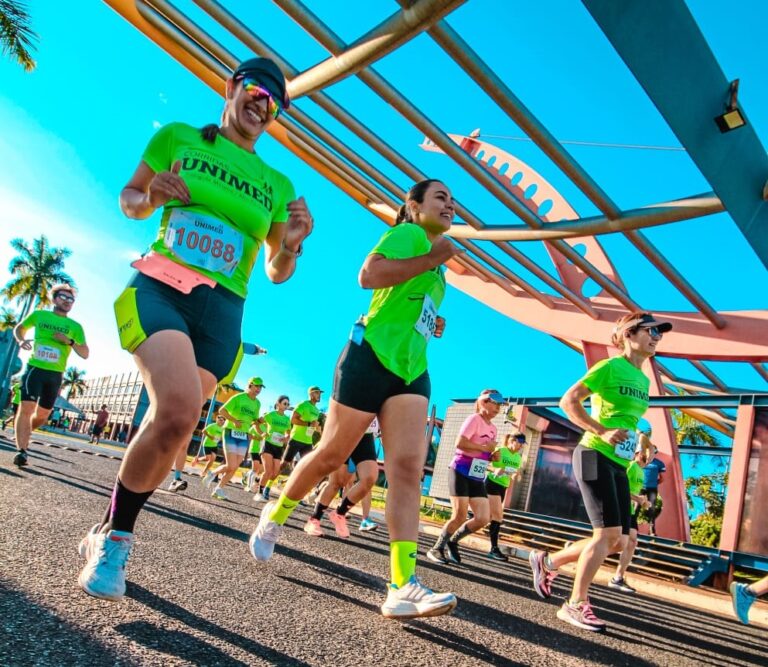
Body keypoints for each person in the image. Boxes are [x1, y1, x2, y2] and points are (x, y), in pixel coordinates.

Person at [78, 56, 313, 601]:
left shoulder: (277, 183)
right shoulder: (179, 137)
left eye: (274, 103)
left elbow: (277, 271)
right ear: (232, 87)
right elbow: (130, 200)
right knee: (180, 409)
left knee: (172, 425)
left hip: (223, 312)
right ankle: (117, 539)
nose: (263, 105)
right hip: (161, 287)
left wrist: (293, 244)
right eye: (256, 90)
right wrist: (151, 198)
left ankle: (105, 528)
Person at [249, 179, 463, 619]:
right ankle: (277, 512)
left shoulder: (438, 264)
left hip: (412, 369)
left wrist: (432, 322)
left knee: (405, 470)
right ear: (414, 206)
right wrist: (430, 259)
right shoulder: (409, 234)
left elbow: (406, 301)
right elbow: (369, 276)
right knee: (331, 454)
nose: (450, 206)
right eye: (440, 197)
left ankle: (402, 584)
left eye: (453, 201)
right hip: (370, 357)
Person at [528, 312, 671, 631]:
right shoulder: (609, 367)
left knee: (619, 540)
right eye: (651, 331)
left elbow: (627, 419)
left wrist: (642, 439)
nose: (657, 337)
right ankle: (575, 604)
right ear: (628, 334)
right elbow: (569, 401)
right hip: (593, 454)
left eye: (660, 333)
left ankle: (548, 561)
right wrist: (601, 429)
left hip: (619, 463)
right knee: (606, 535)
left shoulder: (643, 380)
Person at [12, 283, 89, 466]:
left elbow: (85, 353)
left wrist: (69, 341)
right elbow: (19, 328)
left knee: (43, 415)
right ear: (54, 299)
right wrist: (21, 340)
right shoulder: (40, 315)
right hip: (35, 369)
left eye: (71, 299)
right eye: (63, 297)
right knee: (26, 409)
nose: (67, 301)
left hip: (55, 375)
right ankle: (22, 451)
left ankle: (24, 431)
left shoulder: (75, 327)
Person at [426, 390, 502, 565]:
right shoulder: (474, 419)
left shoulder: (493, 429)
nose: (498, 407)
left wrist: (492, 456)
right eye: (495, 402)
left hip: (477, 475)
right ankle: (436, 548)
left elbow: (484, 451)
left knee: (483, 518)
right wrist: (484, 449)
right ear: (483, 402)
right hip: (460, 470)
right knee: (459, 515)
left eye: (500, 404)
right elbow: (459, 443)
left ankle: (453, 541)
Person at [303, 417, 381, 538]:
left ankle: (340, 513)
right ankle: (314, 519)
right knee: (337, 483)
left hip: (366, 436)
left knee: (369, 478)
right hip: (346, 433)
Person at [208, 378, 264, 500]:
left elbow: (253, 421)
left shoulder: (257, 403)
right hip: (230, 432)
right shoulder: (239, 397)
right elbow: (222, 410)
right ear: (250, 385)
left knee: (235, 466)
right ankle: (212, 475)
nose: (259, 389)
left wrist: (259, 421)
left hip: (244, 435)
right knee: (231, 465)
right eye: (257, 386)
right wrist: (234, 421)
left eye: (261, 387)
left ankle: (218, 488)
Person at [609, 448, 651, 593]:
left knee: (631, 542)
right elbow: (619, 487)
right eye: (646, 453)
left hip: (629, 509)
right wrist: (637, 498)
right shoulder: (631, 466)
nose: (649, 457)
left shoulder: (641, 471)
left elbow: (633, 492)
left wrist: (642, 502)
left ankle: (618, 577)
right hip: (620, 505)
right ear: (638, 453)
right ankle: (580, 551)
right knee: (614, 541)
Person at [484, 431, 526, 561]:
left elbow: (513, 472)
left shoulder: (518, 458)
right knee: (498, 516)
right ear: (512, 441)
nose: (521, 446)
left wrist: (516, 474)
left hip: (503, 487)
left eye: (523, 444)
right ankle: (494, 549)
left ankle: (455, 535)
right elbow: (485, 464)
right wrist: (494, 469)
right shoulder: (500, 451)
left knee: (485, 518)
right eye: (520, 443)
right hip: (491, 483)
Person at [253, 395, 292, 502]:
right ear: (278, 404)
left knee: (275, 473)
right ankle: (259, 493)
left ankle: (257, 479)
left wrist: (286, 438)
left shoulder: (287, 419)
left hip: (278, 447)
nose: (286, 406)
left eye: (288, 404)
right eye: (284, 403)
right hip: (268, 445)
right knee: (268, 471)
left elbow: (288, 433)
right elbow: (256, 423)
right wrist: (262, 433)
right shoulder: (270, 415)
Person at [282, 386, 323, 467]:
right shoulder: (303, 404)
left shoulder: (316, 410)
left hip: (308, 442)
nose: (319, 395)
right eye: (317, 393)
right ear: (311, 394)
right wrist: (309, 424)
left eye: (320, 393)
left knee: (307, 466)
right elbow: (293, 420)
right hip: (296, 439)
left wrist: (317, 428)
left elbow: (312, 425)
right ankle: (271, 475)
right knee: (284, 463)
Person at [641, 446, 666, 536]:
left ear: (655, 453)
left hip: (652, 488)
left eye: (653, 452)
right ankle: (630, 526)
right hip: (640, 488)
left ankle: (652, 529)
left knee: (652, 508)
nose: (650, 453)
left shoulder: (659, 463)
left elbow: (662, 478)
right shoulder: (640, 460)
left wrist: (654, 483)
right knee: (635, 506)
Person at [197, 414, 226, 482]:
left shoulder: (223, 429)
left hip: (214, 445)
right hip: (207, 444)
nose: (221, 421)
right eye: (219, 420)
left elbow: (222, 437)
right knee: (208, 458)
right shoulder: (212, 425)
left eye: (222, 420)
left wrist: (220, 439)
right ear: (216, 420)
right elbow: (203, 431)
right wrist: (210, 437)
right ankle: (197, 459)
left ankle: (204, 472)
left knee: (212, 460)